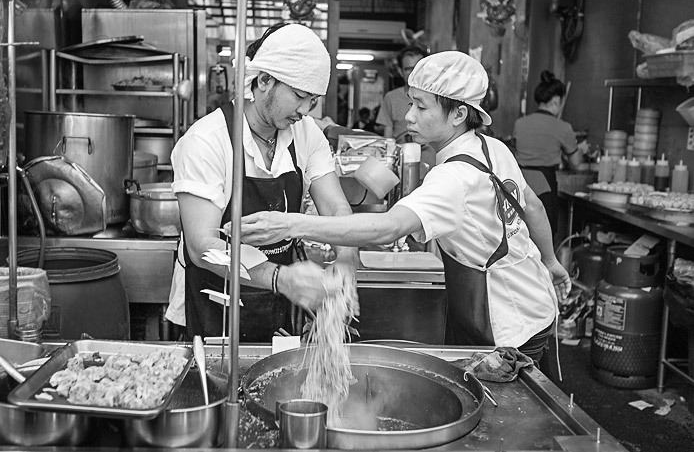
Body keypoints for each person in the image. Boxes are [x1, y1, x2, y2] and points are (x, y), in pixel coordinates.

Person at [234, 51, 571, 370]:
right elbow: (535, 208)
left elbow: (388, 227)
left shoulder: (452, 178)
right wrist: (552, 262)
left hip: (506, 327)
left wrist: (289, 224)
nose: (409, 115)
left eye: (421, 107)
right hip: (535, 301)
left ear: (458, 114)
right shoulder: (493, 148)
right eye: (411, 103)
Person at [168, 22, 358, 341]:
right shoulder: (207, 141)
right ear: (264, 80)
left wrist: (346, 262)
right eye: (299, 96)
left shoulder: (306, 133)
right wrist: (283, 279)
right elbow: (203, 248)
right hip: (214, 302)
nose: (305, 110)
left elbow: (336, 206)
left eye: (313, 100)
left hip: (275, 299)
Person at [513, 71, 583, 234]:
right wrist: (579, 149)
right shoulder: (563, 127)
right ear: (557, 101)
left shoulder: (519, 123)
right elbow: (576, 163)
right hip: (544, 188)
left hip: (519, 186)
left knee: (519, 234)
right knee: (545, 238)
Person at [376, 46, 436, 168]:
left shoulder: (438, 98)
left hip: (433, 165)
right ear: (400, 71)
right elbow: (388, 140)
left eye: (418, 68)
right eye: (408, 69)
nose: (413, 73)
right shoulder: (391, 98)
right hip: (403, 166)